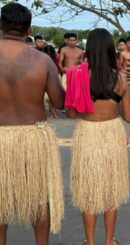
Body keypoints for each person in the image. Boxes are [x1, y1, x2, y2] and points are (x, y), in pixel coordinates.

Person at [0, 3, 65, 244]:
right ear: (28, 28)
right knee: (39, 199)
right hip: (34, 137)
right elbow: (58, 103)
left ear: (0, 25)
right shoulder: (43, 61)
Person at [69, 28, 130, 245]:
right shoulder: (121, 78)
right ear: (110, 50)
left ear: (88, 50)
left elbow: (71, 113)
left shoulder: (78, 75)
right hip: (112, 132)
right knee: (111, 191)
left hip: (87, 132)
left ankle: (90, 242)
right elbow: (129, 118)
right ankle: (108, 241)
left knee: (88, 191)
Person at [58, 32, 84, 117]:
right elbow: (60, 62)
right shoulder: (63, 50)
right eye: (70, 40)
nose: (72, 42)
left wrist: (81, 66)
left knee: (77, 92)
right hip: (66, 73)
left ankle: (75, 109)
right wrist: (62, 68)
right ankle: (66, 108)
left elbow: (82, 63)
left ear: (76, 41)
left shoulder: (80, 51)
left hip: (77, 74)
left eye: (74, 40)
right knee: (65, 90)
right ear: (67, 41)